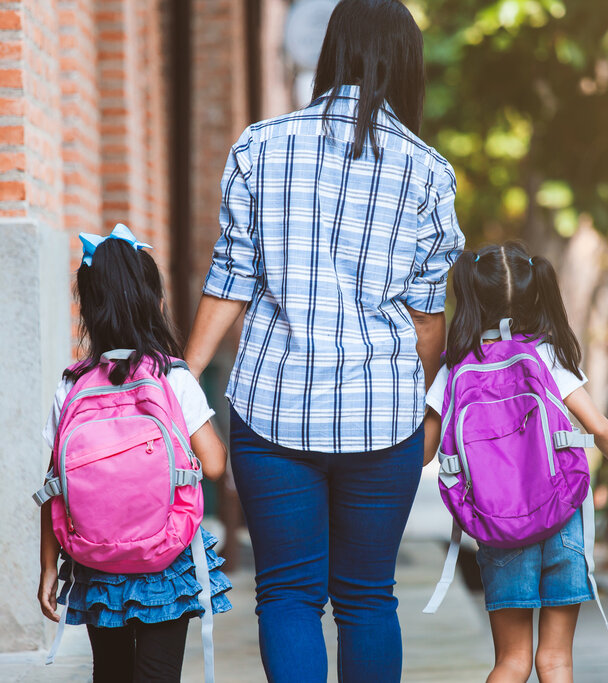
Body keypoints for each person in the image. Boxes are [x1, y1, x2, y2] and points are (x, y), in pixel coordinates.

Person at [183, 2, 465, 681]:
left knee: (287, 593)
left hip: (273, 410)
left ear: (333, 51)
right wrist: (424, 408)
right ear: (406, 63)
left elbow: (229, 282)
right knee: (368, 598)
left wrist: (177, 382)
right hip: (382, 415)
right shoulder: (428, 172)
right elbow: (429, 318)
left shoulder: (260, 146)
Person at [423, 243, 608, 683]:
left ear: (469, 297)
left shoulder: (454, 368)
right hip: (561, 520)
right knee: (555, 662)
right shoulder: (548, 355)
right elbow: (603, 431)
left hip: (498, 529)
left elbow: (422, 453)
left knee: (511, 662)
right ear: (536, 294)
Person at [37, 230, 232, 682]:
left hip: (96, 560)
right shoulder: (173, 378)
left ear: (87, 307)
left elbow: (53, 487)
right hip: (165, 555)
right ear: (154, 302)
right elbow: (215, 464)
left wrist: (49, 568)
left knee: (109, 672)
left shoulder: (71, 386)